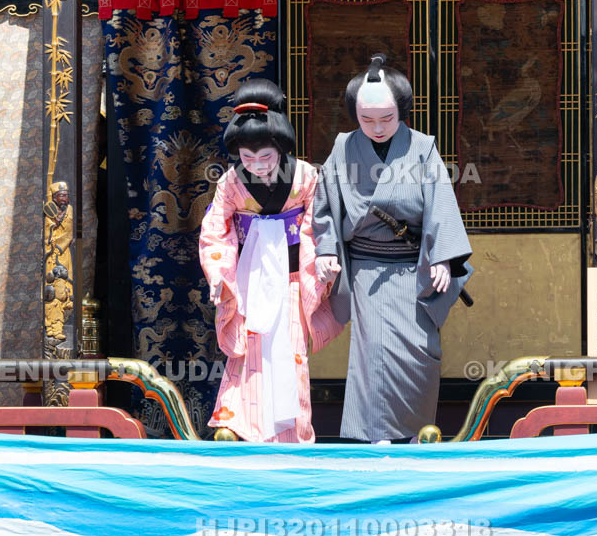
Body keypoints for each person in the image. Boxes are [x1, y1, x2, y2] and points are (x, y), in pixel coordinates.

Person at [312, 53, 473, 443]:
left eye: (386, 119)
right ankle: (376, 439)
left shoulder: (421, 149)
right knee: (372, 359)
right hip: (367, 273)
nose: (378, 128)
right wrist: (327, 249)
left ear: (402, 110)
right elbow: (324, 206)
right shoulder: (343, 149)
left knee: (420, 353)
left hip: (413, 272)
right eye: (367, 120)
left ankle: (419, 435)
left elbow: (441, 205)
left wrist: (444, 257)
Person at [199, 79, 342, 443]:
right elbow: (216, 231)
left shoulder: (307, 176)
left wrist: (324, 258)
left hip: (293, 280)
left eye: (265, 157)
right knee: (249, 353)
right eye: (248, 158)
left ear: (280, 146)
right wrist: (218, 274)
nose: (258, 166)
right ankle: (242, 429)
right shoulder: (231, 182)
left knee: (291, 356)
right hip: (249, 280)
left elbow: (319, 225)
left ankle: (293, 434)